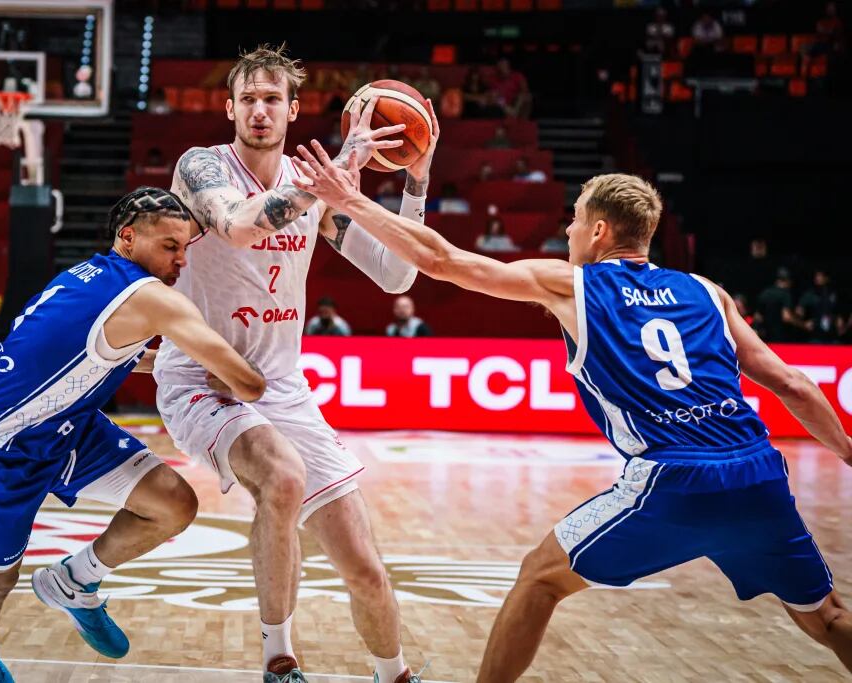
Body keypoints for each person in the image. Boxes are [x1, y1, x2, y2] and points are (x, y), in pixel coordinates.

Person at [290, 152, 852, 681]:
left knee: (538, 577)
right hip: (758, 473)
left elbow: (443, 261)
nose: (568, 232)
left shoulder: (572, 284)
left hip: (674, 478)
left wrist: (351, 200)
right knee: (825, 619)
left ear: (601, 231)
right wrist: (848, 450)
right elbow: (792, 383)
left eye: (576, 221)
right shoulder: (707, 291)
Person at [161, 44, 429, 683]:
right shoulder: (201, 169)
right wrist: (329, 177)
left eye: (271, 99)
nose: (259, 110)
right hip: (204, 378)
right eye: (248, 99)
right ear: (229, 108)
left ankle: (393, 674)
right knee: (281, 479)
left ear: (293, 109)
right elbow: (239, 227)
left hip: (283, 385)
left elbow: (395, 273)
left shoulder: (318, 189)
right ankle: (278, 659)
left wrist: (415, 180)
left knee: (364, 565)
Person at [0, 187, 266, 683]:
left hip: (69, 428)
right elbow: (250, 383)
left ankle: (75, 580)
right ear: (128, 238)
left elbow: (116, 353)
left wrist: (179, 368)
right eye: (169, 246)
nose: (181, 259)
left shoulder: (94, 274)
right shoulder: (151, 297)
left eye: (185, 247)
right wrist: (236, 368)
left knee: (173, 504)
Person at [755, 267, 801, 343]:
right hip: (780, 338)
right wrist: (802, 324)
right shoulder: (785, 294)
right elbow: (786, 317)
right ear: (788, 281)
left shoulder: (765, 293)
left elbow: (758, 317)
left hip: (765, 337)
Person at [797, 269, 842, 343]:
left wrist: (840, 319)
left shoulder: (834, 293)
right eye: (816, 276)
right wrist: (803, 323)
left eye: (820, 276)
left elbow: (838, 310)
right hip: (815, 335)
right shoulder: (809, 294)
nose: (817, 278)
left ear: (827, 278)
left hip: (832, 334)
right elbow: (799, 311)